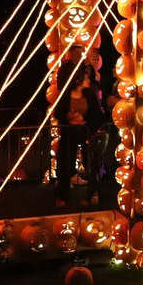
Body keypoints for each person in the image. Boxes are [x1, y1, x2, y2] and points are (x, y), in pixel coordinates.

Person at [53, 61, 104, 208]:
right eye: (86, 77)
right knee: (65, 163)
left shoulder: (89, 95)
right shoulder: (66, 95)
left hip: (86, 132)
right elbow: (58, 113)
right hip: (69, 133)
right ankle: (62, 195)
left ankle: (92, 194)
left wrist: (85, 120)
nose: (89, 80)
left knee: (92, 163)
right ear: (78, 79)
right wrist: (69, 117)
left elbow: (97, 116)